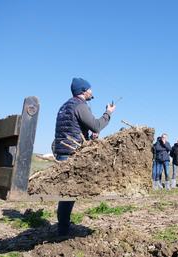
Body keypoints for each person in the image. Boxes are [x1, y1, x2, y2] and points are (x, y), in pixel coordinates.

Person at [54, 78, 115, 236]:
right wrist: (108, 113)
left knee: (66, 194)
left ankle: (63, 226)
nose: (91, 92)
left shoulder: (65, 105)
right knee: (68, 194)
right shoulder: (80, 106)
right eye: (89, 89)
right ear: (83, 90)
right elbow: (96, 125)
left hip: (62, 151)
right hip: (71, 153)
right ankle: (63, 231)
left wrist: (89, 138)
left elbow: (72, 128)